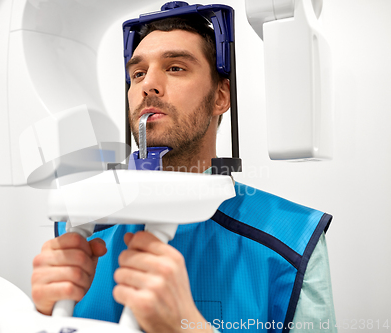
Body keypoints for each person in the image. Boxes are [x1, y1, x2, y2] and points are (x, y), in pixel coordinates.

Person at [31, 11, 337, 333]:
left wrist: (187, 328)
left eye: (175, 67)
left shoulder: (293, 239)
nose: (148, 84)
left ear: (220, 96)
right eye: (137, 73)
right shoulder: (80, 225)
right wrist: (39, 317)